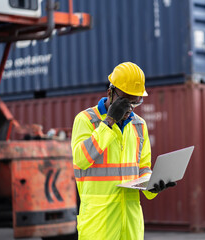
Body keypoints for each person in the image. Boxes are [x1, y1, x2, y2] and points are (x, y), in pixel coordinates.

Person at [71, 62, 176, 239]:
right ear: (110, 92)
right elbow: (81, 159)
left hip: (130, 223)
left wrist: (153, 186)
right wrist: (109, 122)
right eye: (126, 101)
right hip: (99, 224)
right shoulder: (86, 120)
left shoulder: (139, 125)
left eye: (135, 102)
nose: (129, 109)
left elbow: (143, 167)